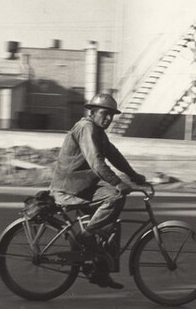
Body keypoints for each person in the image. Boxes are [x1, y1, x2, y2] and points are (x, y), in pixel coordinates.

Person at [50, 92, 147, 288]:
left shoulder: (98, 131)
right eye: (104, 113)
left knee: (112, 223)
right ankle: (85, 237)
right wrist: (118, 183)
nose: (109, 118)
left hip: (84, 186)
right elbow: (96, 162)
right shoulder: (86, 128)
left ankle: (101, 273)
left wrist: (133, 175)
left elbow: (114, 155)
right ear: (92, 113)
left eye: (112, 115)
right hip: (69, 188)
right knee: (115, 195)